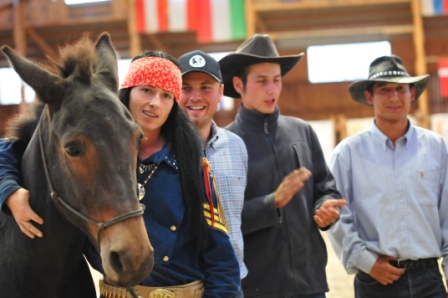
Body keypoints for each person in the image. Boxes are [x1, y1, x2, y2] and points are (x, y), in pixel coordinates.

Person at [0, 51, 240, 297]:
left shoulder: (193, 167)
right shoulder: (99, 159)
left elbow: (221, 258)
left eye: (167, 95)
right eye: (146, 90)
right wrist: (8, 189)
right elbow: (12, 148)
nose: (155, 103)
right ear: (127, 92)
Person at [218, 34, 346, 298]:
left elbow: (326, 188)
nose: (272, 90)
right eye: (262, 81)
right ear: (238, 84)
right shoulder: (225, 145)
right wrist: (271, 202)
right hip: (257, 287)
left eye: (277, 80)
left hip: (310, 283)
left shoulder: (302, 132)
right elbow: (223, 221)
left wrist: (325, 208)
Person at [327, 55, 448, 298]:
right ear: (369, 96)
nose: (394, 97)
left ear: (412, 94)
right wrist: (366, 262)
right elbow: (338, 216)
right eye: (384, 90)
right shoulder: (347, 154)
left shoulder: (437, 148)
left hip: (429, 279)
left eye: (400, 89)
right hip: (376, 280)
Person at [177, 50, 248, 296]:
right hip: (181, 287)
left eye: (206, 87)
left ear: (220, 92)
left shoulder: (237, 147)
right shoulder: (157, 151)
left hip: (231, 284)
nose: (195, 97)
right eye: (186, 88)